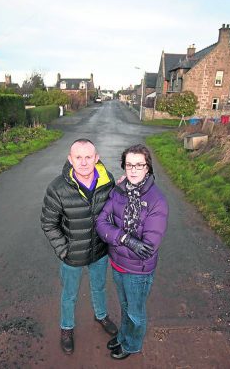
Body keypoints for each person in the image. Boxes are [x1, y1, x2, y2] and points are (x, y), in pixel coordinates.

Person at [41, 138, 118, 355]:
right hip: (72, 255)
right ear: (70, 159)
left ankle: (101, 315)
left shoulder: (107, 180)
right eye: (78, 157)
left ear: (96, 158)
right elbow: (48, 223)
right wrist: (63, 249)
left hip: (100, 251)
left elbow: (113, 210)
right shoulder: (57, 188)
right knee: (69, 295)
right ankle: (66, 329)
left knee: (99, 287)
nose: (83, 162)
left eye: (88, 157)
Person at [96, 144, 169, 360]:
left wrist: (113, 236)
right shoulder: (119, 191)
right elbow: (100, 222)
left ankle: (133, 345)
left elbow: (148, 248)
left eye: (139, 165)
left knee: (135, 313)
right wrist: (126, 239)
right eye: (129, 165)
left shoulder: (157, 201)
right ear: (124, 167)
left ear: (148, 168)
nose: (134, 170)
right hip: (117, 264)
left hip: (138, 271)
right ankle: (123, 336)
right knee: (125, 306)